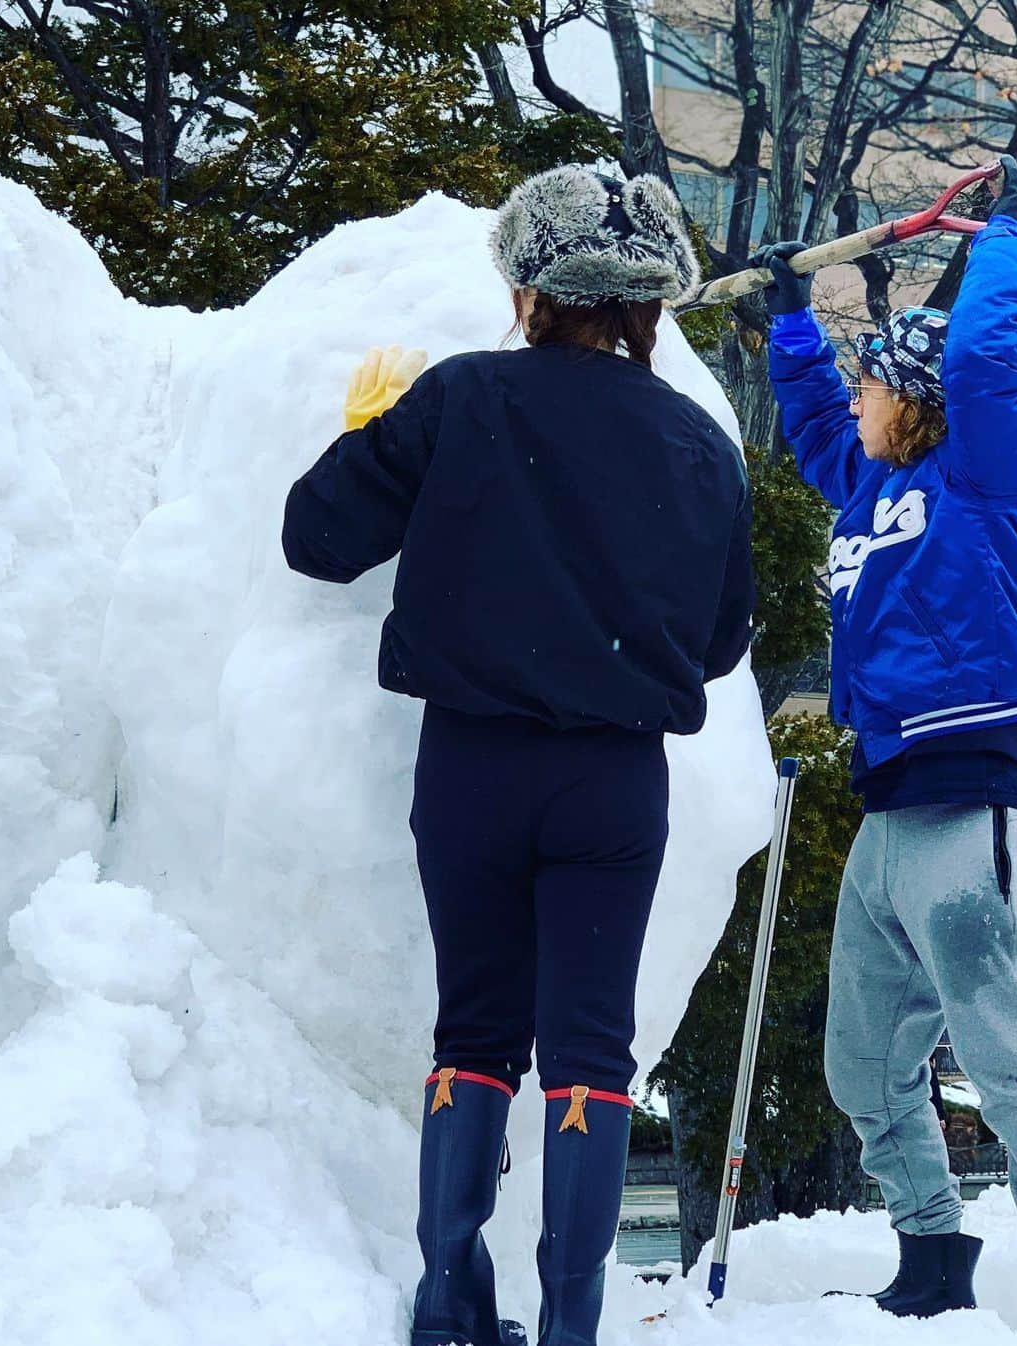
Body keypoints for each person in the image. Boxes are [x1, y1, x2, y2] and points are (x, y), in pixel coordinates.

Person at [282, 165, 755, 1346]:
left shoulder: (464, 401)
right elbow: (721, 639)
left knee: (474, 1030)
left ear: (530, 286)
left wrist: (360, 437)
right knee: (592, 1047)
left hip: (471, 769)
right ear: (647, 303)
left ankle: (449, 1302)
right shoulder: (700, 443)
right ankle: (570, 1327)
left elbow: (317, 540)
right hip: (612, 781)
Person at [754, 155, 1017, 1330]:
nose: (858, 401)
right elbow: (819, 421)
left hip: (977, 796)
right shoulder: (866, 492)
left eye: (874, 383)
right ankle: (932, 1251)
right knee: (863, 1060)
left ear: (912, 397)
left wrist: (1011, 238)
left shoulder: (988, 471)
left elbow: (979, 356)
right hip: (887, 812)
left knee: (1015, 1062)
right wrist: (789, 320)